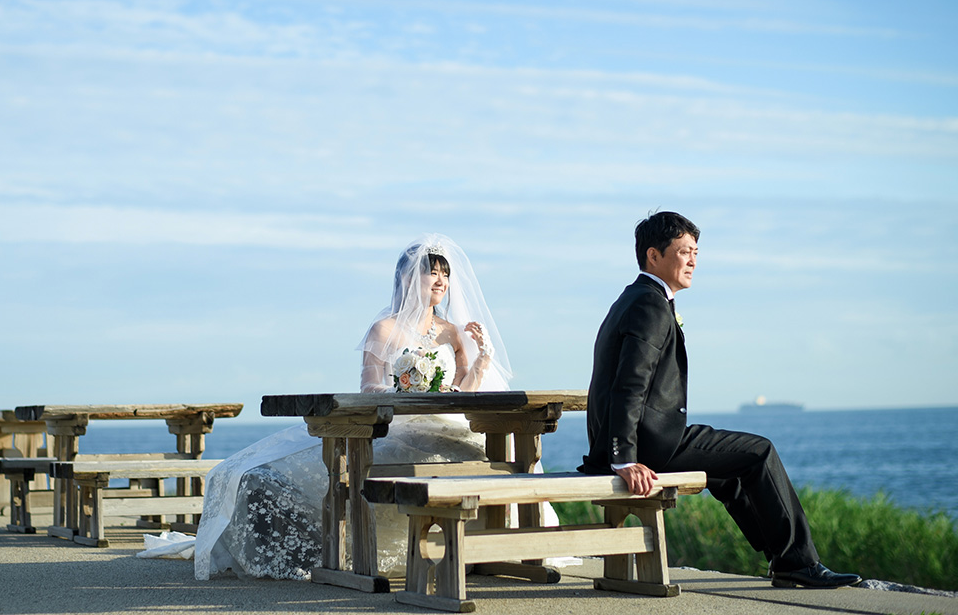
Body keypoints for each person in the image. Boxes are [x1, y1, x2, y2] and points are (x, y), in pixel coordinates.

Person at [194, 234, 571, 580]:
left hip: (446, 431)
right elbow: (369, 387)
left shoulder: (453, 332)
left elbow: (463, 392)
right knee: (256, 474)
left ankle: (496, 548)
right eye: (430, 272)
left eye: (444, 274)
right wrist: (407, 386)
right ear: (408, 278)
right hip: (398, 428)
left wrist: (482, 360)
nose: (440, 280)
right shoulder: (384, 330)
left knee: (491, 460)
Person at [578, 211, 861, 589]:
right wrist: (623, 460)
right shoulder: (649, 305)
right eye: (684, 251)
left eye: (696, 251)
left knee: (729, 471)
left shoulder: (635, 297)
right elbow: (628, 386)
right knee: (759, 452)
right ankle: (798, 562)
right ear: (654, 256)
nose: (693, 260)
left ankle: (784, 558)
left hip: (648, 437)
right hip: (649, 445)